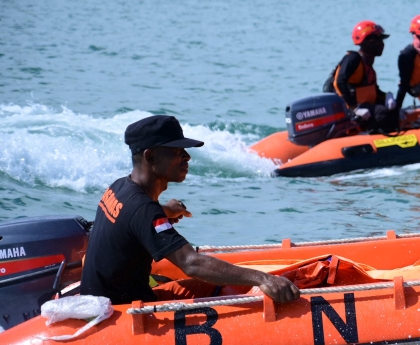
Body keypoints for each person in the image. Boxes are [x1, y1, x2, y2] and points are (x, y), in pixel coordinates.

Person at [80, 115, 300, 305]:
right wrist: (263, 279)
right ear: (150, 156)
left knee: (210, 287)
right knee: (229, 289)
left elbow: (135, 218)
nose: (187, 157)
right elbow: (191, 263)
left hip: (105, 297)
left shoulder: (119, 187)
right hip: (124, 312)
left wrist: (166, 210)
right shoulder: (144, 211)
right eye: (177, 151)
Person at [322, 20, 397, 132]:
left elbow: (373, 92)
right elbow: (339, 82)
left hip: (361, 106)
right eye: (379, 39)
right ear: (369, 42)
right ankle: (373, 136)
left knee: (392, 109)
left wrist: (388, 96)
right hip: (347, 108)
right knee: (380, 111)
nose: (382, 44)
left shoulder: (368, 67)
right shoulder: (353, 59)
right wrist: (355, 108)